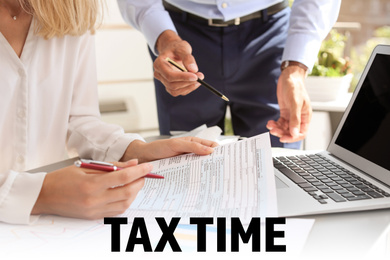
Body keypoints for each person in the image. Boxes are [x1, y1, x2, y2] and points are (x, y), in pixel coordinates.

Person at [0, 0, 218, 225]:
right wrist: (40, 194)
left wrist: (135, 151)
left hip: (48, 227)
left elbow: (78, 119)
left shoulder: (71, 8)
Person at [117, 0, 341, 149]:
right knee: (186, 163)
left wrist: (295, 67)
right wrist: (165, 38)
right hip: (179, 36)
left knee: (278, 163)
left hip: (271, 36)